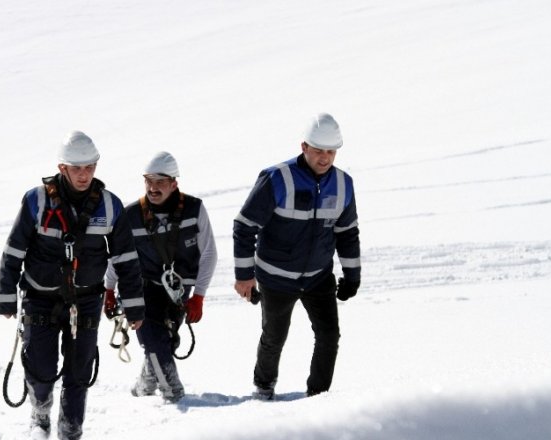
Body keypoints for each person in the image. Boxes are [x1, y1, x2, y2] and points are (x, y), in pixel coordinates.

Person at [0, 131, 145, 439]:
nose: (84, 174)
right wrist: (6, 296)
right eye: (77, 168)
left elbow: (127, 261)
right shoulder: (36, 201)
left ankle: (70, 431)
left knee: (79, 375)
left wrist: (134, 306)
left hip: (87, 302)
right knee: (41, 371)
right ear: (62, 168)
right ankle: (40, 413)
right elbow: (14, 250)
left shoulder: (110, 206)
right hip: (40, 299)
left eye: (89, 167)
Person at [232, 113, 361, 400]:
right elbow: (245, 226)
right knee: (274, 337)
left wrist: (352, 276)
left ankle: (319, 396)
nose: (325, 158)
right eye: (318, 150)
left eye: (331, 151)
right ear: (304, 147)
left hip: (318, 278)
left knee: (329, 337)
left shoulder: (343, 184)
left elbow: (347, 233)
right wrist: (244, 276)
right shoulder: (277, 178)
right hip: (277, 278)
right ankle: (263, 388)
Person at [104, 151, 218, 403]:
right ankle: (173, 393)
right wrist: (109, 289)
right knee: (153, 341)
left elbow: (209, 253)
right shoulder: (130, 215)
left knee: (166, 343)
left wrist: (198, 296)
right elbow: (118, 256)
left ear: (174, 183)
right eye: (149, 181)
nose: (153, 188)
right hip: (141, 289)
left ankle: (144, 387)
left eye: (160, 182)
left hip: (178, 290)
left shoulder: (195, 209)